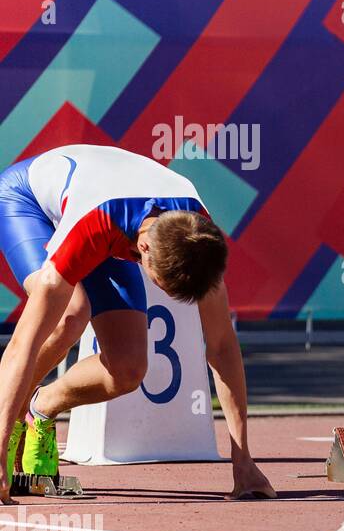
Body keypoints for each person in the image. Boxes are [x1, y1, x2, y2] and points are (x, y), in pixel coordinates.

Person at [0, 144, 274, 504]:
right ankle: (8, 424)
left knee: (128, 370)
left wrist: (243, 460)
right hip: (29, 201)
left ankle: (41, 408)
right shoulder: (95, 224)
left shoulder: (197, 238)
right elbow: (24, 344)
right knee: (69, 315)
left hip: (111, 214)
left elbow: (221, 347)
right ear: (142, 249)